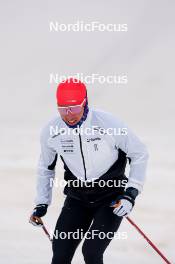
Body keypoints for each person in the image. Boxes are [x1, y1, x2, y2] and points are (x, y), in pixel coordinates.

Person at [29, 78, 149, 264]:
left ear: (85, 103)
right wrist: (42, 203)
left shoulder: (109, 124)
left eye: (75, 108)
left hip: (110, 199)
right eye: (63, 109)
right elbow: (45, 167)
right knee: (60, 254)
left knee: (91, 252)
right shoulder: (52, 131)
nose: (69, 115)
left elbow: (139, 154)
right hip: (77, 198)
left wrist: (131, 194)